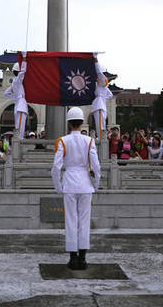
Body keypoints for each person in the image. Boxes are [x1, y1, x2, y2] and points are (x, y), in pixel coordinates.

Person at [51, 107, 100, 270]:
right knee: (84, 221)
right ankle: (83, 258)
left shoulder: (62, 141)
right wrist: (96, 184)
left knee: (71, 220)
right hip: (85, 183)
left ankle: (73, 257)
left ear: (69, 123)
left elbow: (56, 167)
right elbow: (96, 165)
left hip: (70, 183)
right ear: (82, 122)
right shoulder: (90, 141)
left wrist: (58, 186)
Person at [4, 53, 28, 140]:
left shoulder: (15, 82)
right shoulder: (18, 80)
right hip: (21, 106)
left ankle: (18, 141)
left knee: (19, 126)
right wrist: (24, 58)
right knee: (20, 128)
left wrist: (17, 97)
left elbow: (6, 93)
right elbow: (23, 71)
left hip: (18, 104)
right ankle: (19, 141)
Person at [91, 54, 113, 140]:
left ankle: (100, 139)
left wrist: (96, 60)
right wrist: (102, 98)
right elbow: (110, 95)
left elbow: (99, 72)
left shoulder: (103, 81)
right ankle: (100, 138)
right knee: (100, 124)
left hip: (99, 106)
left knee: (100, 125)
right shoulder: (102, 85)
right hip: (100, 105)